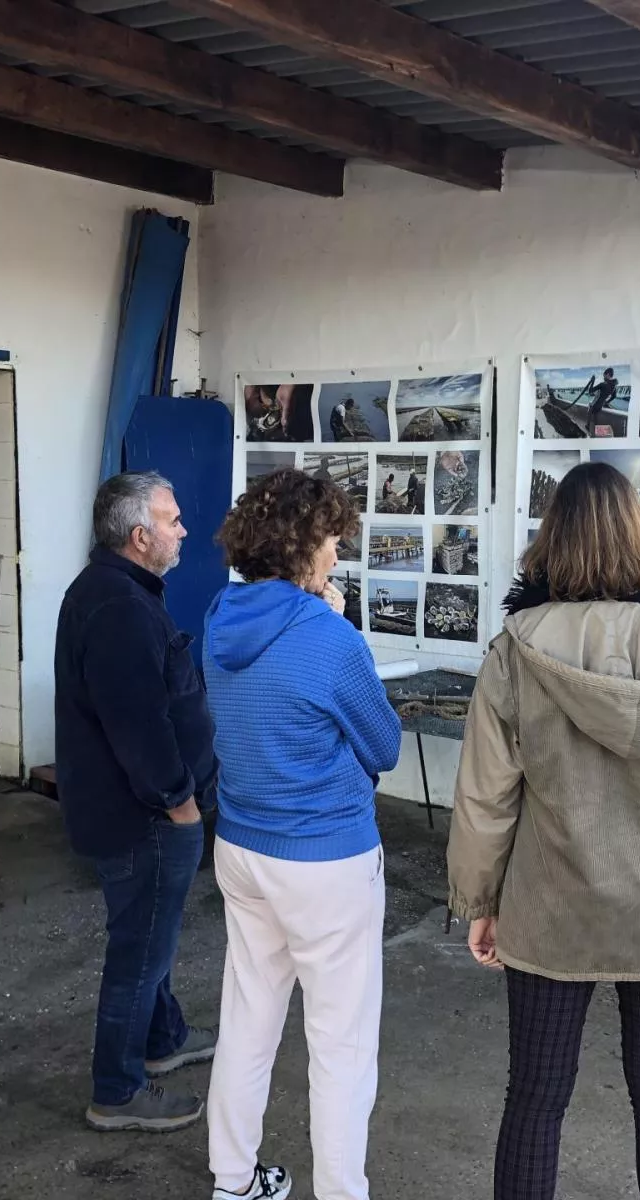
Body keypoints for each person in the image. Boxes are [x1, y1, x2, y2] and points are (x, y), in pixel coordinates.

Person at [448, 462, 640, 1200]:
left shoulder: (517, 648)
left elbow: (486, 798)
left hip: (550, 908)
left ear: (552, 538)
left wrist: (480, 901)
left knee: (536, 1097)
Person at [202, 467, 403, 1200]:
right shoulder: (329, 637)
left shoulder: (219, 616)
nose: (338, 556)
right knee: (341, 1043)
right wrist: (336, 622)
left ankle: (234, 1180)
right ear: (301, 546)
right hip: (326, 859)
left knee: (248, 1019)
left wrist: (318, 610)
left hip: (241, 846)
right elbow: (383, 747)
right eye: (331, 541)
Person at [54, 471, 220, 1133]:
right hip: (143, 817)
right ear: (139, 534)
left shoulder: (113, 591)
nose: (183, 529)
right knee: (139, 952)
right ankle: (117, 1091)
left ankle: (163, 1039)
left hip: (135, 811)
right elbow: (138, 723)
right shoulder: (120, 607)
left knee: (152, 936)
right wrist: (177, 800)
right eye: (172, 519)